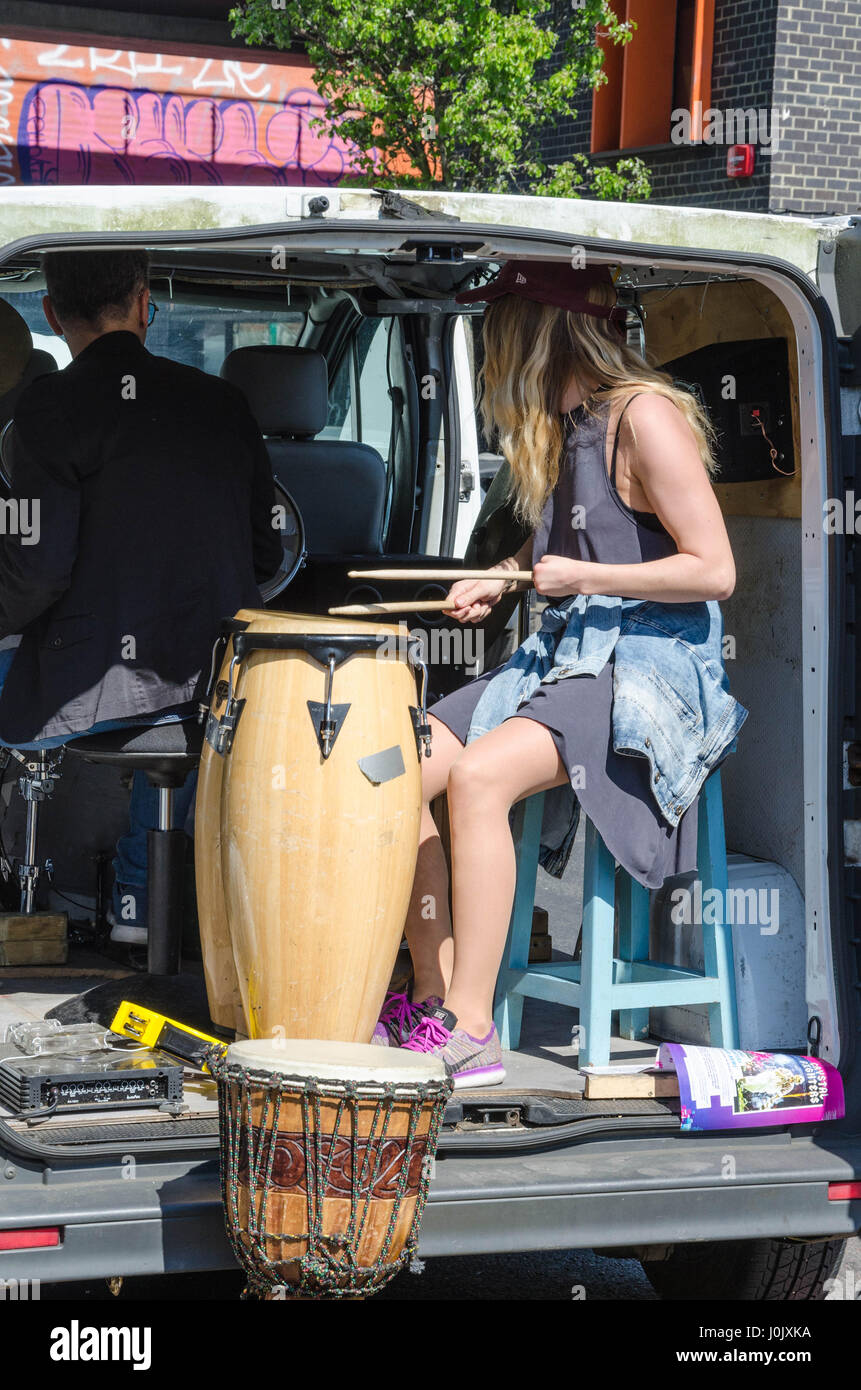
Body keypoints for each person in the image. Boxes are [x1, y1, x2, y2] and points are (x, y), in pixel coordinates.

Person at [371, 260, 747, 1087]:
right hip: (568, 652)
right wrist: (501, 571)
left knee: (475, 780)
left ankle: (473, 1032)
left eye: (497, 327)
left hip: (650, 665)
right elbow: (563, 551)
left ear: (537, 330)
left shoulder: (643, 417)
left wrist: (583, 580)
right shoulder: (559, 424)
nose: (489, 352)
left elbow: (713, 570)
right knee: (390, 771)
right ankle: (433, 1001)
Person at [0, 251, 282, 944]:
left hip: (93, 688)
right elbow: (266, 552)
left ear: (51, 314)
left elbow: (37, 570)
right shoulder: (223, 403)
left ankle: (43, 892)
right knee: (168, 721)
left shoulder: (47, 407)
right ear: (143, 301)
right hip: (219, 680)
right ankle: (139, 894)